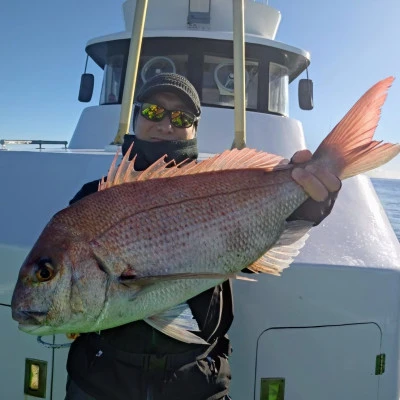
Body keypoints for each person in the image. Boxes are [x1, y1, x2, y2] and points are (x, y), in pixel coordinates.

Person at [65, 73, 341, 400]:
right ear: (136, 115)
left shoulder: (221, 186)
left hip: (197, 382)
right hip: (100, 379)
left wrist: (305, 206)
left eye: (181, 117)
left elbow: (251, 256)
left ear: (194, 129)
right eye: (153, 111)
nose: (166, 125)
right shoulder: (93, 197)